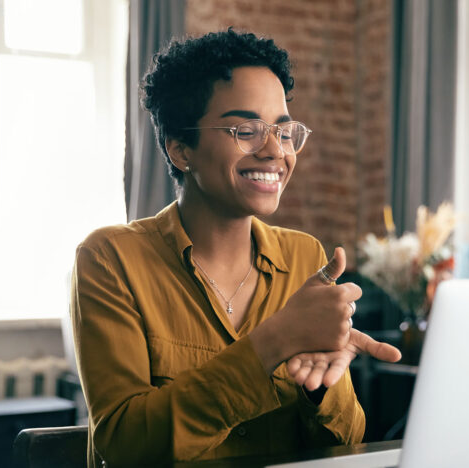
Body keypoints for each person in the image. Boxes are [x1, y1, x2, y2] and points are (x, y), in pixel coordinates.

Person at [70, 29, 401, 467]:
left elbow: (345, 443)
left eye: (284, 132)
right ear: (180, 148)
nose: (274, 151)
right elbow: (124, 444)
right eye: (246, 130)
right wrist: (272, 343)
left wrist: (321, 387)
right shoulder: (111, 259)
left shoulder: (306, 259)